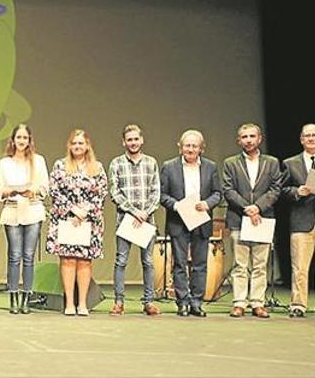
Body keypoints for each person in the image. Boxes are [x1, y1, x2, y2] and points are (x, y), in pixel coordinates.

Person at [159, 130, 222, 317]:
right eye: (187, 145)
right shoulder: (169, 167)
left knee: (200, 264)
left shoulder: (211, 167)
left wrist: (207, 203)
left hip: (201, 221)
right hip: (178, 220)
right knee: (179, 263)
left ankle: (196, 302)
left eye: (194, 146)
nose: (190, 149)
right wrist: (176, 205)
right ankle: (182, 302)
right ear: (180, 147)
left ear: (201, 149)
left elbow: (217, 193)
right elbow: (162, 195)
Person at [221, 123, 282, 318]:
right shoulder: (230, 163)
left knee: (260, 264)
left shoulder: (271, 162)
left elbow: (275, 189)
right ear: (238, 140)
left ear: (259, 138)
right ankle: (239, 302)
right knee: (240, 264)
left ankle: (257, 302)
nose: (248, 140)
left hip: (262, 219)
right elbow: (228, 190)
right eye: (244, 137)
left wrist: (258, 207)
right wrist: (247, 208)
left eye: (251, 136)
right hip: (239, 218)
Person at [46, 129, 107, 316]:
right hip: (66, 219)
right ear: (69, 146)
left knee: (84, 261)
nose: (77, 146)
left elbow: (102, 192)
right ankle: (69, 304)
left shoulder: (97, 167)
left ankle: (82, 303)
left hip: (88, 221)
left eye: (81, 143)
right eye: (74, 143)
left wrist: (85, 211)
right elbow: (54, 190)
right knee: (68, 259)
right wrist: (73, 210)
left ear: (87, 145)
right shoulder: (60, 165)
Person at [107, 124, 161, 316]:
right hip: (126, 220)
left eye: (136, 139)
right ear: (124, 142)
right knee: (121, 260)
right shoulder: (116, 163)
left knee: (148, 261)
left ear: (142, 140)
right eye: (129, 139)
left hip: (147, 220)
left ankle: (148, 302)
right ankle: (119, 301)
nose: (133, 142)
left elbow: (156, 191)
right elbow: (114, 191)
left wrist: (145, 212)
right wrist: (133, 211)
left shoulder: (151, 162)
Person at [0, 124, 47, 314]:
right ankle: (13, 297)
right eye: (19, 137)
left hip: (33, 211)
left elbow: (44, 188)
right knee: (14, 256)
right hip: (12, 211)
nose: (22, 141)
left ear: (29, 140)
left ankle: (26, 297)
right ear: (13, 140)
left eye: (25, 137)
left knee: (28, 256)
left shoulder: (38, 161)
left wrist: (33, 190)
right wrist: (13, 189)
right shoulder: (4, 163)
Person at [281, 123, 315, 318]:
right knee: (300, 266)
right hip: (302, 220)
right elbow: (282, 190)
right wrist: (297, 192)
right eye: (307, 135)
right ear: (301, 139)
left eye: (314, 135)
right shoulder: (290, 163)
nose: (311, 138)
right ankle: (298, 304)